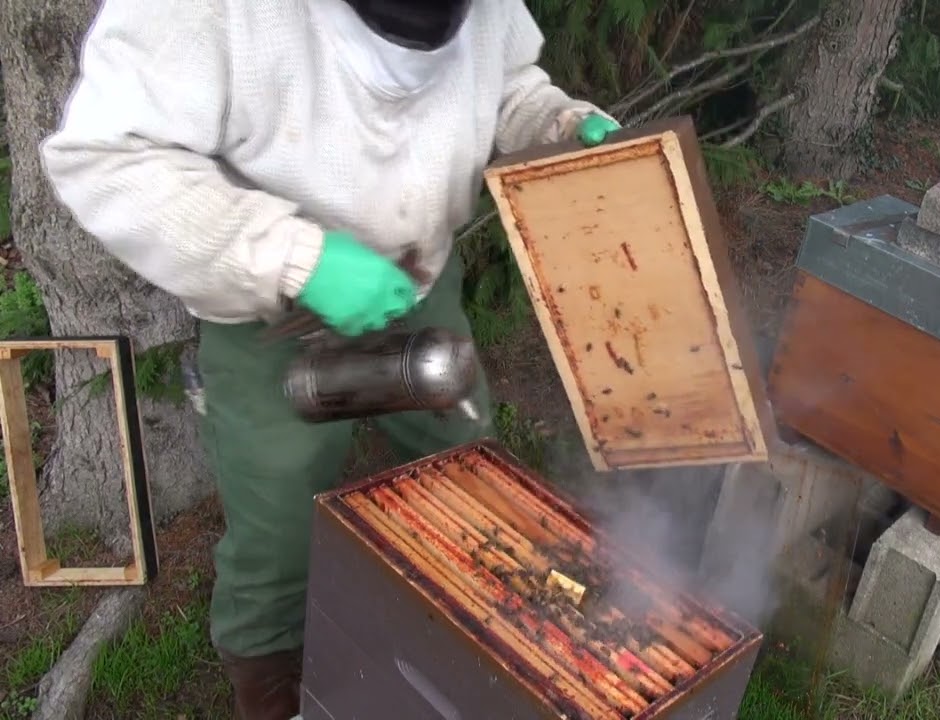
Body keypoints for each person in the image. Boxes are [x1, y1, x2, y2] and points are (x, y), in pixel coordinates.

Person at [39, 0, 619, 717]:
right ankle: (271, 682)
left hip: (419, 282)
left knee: (465, 462)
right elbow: (105, 155)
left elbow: (505, 84)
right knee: (279, 527)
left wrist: (557, 123)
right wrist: (296, 259)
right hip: (272, 313)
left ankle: (464, 640)